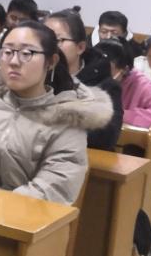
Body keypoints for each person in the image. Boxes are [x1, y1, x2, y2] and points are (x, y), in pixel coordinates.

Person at [0, 21, 113, 205]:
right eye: (7, 52)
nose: (14, 61)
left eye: (27, 53)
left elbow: (54, 187)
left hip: (22, 216)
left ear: (51, 61)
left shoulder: (66, 120)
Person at [44, 9, 122, 150]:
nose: (48, 47)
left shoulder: (104, 84)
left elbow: (106, 138)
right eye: (43, 40)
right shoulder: (36, 77)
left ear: (80, 47)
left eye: (57, 40)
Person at [93, 38, 151, 132]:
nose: (99, 72)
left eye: (107, 68)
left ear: (125, 69)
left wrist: (118, 114)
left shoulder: (141, 84)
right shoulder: (86, 75)